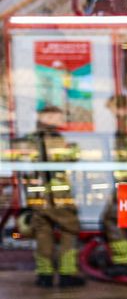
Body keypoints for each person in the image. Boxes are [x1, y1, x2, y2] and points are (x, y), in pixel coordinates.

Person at [27, 105, 83, 288]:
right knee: (70, 229)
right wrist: (74, 149)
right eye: (57, 116)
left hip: (37, 195)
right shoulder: (54, 139)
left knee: (43, 232)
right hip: (58, 196)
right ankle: (67, 273)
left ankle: (45, 274)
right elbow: (69, 159)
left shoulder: (31, 138)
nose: (61, 119)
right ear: (47, 117)